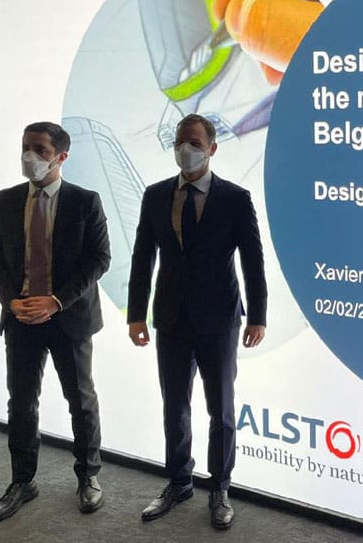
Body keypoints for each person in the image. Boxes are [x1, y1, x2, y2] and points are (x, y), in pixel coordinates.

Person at [127, 113, 267, 530]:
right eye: (179, 142)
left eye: (193, 143)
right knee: (174, 406)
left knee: (220, 409)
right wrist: (136, 314)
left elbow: (253, 261)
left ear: (212, 148)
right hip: (170, 317)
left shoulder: (235, 198)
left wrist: (258, 316)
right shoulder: (155, 195)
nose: (184, 149)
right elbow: (142, 258)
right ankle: (178, 481)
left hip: (219, 319)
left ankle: (219, 487)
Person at [0, 121, 111, 522]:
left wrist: (56, 301)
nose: (29, 156)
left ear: (61, 157)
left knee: (80, 401)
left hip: (68, 317)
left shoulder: (85, 201)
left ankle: (88, 476)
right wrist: (11, 301)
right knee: (21, 403)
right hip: (21, 318)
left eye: (40, 149)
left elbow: (99, 259)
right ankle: (22, 481)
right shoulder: (5, 200)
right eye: (26, 147)